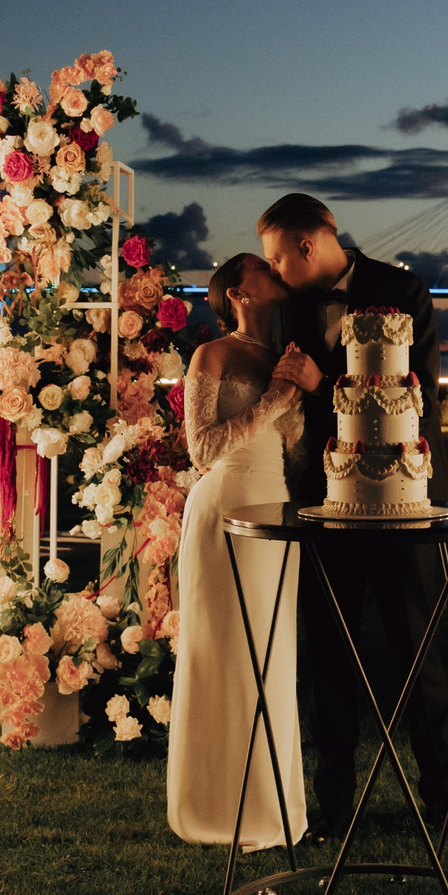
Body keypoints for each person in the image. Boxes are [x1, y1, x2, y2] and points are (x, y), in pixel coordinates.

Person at [258, 192, 448, 845]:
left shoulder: (402, 289)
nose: (271, 269)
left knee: (422, 653)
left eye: (275, 255)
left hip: (404, 502)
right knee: (329, 656)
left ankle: (443, 804)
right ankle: (334, 807)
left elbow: (419, 394)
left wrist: (324, 384)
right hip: (324, 502)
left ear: (307, 244)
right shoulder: (282, 307)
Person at [166, 252, 323, 849]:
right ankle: (214, 804)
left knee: (272, 653)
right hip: (225, 506)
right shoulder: (212, 355)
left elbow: (298, 449)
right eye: (263, 266)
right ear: (238, 291)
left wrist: (301, 393)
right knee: (225, 652)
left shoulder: (284, 356)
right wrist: (276, 400)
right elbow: (203, 449)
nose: (275, 269)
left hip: (276, 506)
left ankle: (270, 804)